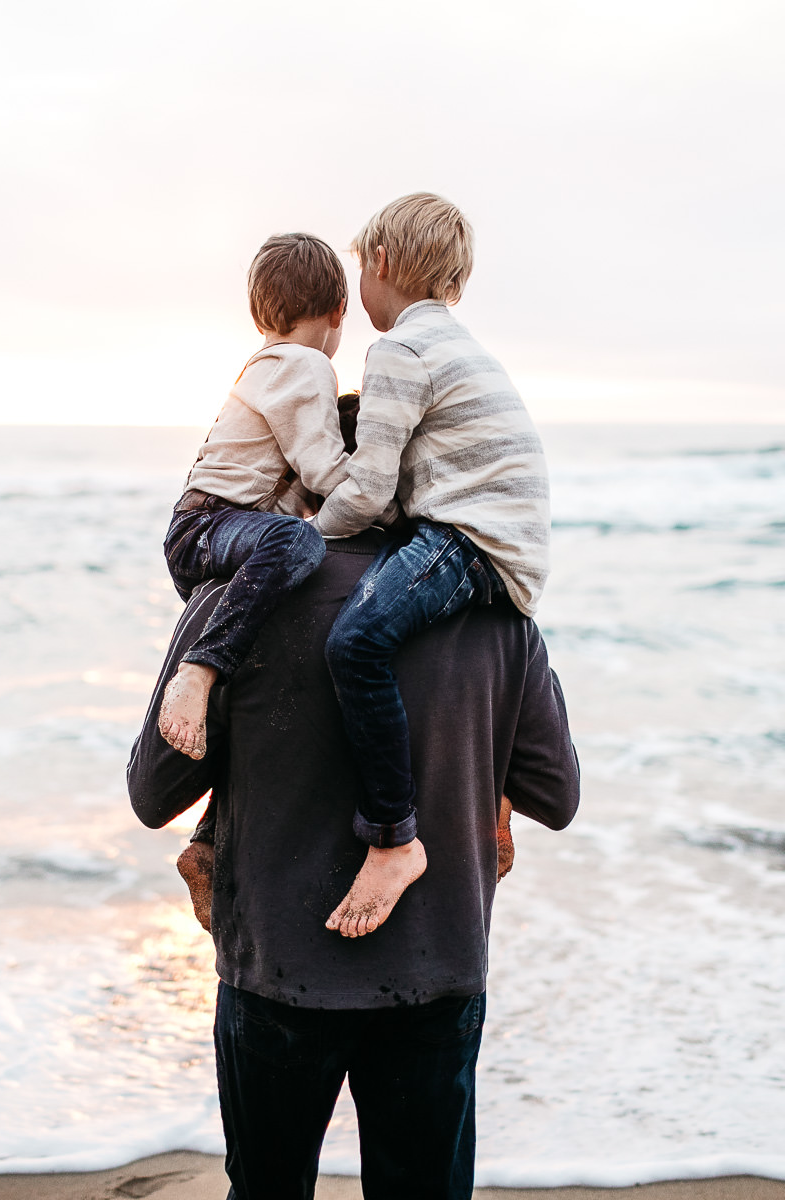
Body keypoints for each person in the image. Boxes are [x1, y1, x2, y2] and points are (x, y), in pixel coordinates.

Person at [127, 526, 578, 1199]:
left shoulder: (237, 599)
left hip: (275, 968)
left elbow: (153, 792)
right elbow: (557, 794)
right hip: (437, 965)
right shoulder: (493, 606)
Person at [311, 193, 553, 938]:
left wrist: (305, 533)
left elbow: (371, 486)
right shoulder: (461, 348)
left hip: (469, 538)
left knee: (355, 641)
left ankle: (394, 839)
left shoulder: (400, 351)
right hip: (501, 541)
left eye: (360, 267)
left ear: (379, 261)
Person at [156, 232, 354, 763]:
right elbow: (327, 473)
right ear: (340, 310)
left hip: (205, 530)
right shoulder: (305, 365)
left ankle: (210, 815)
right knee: (298, 544)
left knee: (265, 646)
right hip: (214, 526)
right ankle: (198, 670)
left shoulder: (265, 363)